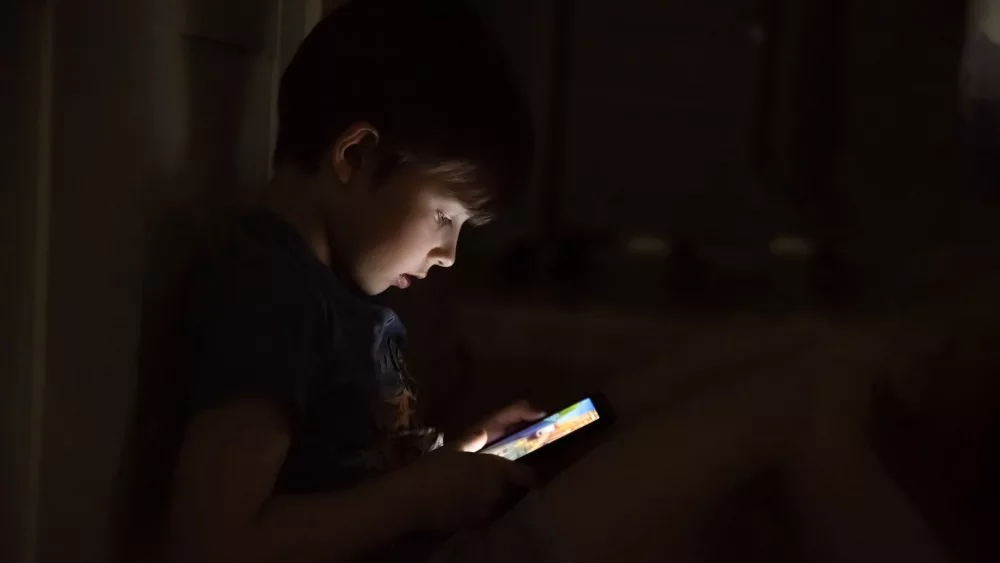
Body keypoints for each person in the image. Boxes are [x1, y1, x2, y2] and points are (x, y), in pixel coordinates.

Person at [165, 2, 956, 562]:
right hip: (445, 547)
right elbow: (216, 542)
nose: (447, 255)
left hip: (438, 514)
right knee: (784, 408)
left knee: (745, 360)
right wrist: (420, 496)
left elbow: (359, 464)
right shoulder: (271, 289)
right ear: (354, 157)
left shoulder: (332, 285)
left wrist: (463, 450)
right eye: (446, 217)